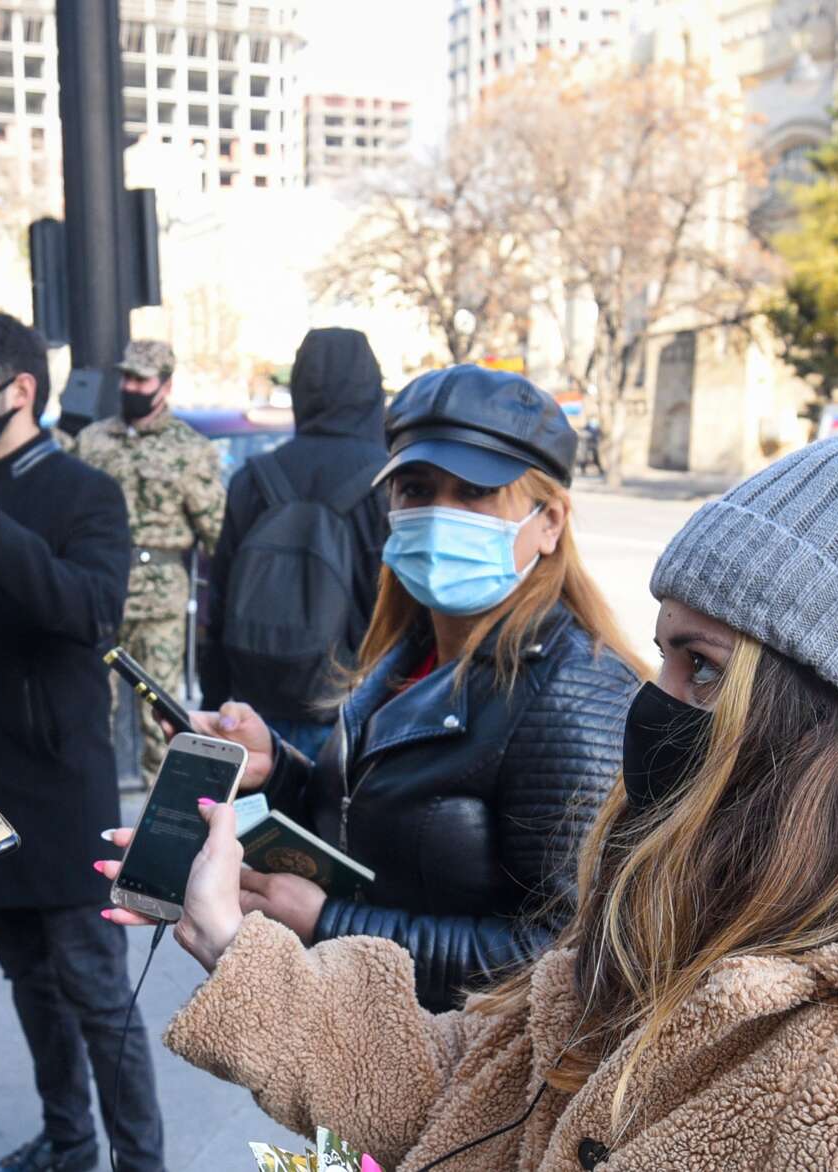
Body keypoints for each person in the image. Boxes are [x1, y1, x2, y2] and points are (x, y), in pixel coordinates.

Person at [125, 426, 838, 1170]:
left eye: (700, 666)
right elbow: (484, 1085)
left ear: (836, 724)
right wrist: (240, 945)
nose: (652, 694)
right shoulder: (695, 888)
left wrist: (329, 916)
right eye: (665, 648)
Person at [171, 366, 644, 1011]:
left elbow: (568, 955)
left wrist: (330, 923)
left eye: (474, 492)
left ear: (550, 521)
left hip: (463, 1077)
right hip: (363, 1041)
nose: (438, 514)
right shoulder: (408, 647)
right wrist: (277, 771)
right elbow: (379, 818)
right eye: (416, 488)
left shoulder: (574, 692)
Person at [0, 313, 161, 1172]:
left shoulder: (85, 492)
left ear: (21, 390)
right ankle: (68, 1141)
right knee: (28, 985)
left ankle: (140, 1160)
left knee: (96, 992)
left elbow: (91, 611)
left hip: (59, 795)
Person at [201, 327, 392, 762]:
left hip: (252, 718)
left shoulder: (255, 478)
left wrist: (215, 706)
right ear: (370, 388)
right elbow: (391, 609)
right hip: (350, 713)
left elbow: (220, 598)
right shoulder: (388, 482)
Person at [73, 339, 226, 779]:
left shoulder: (191, 449)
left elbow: (215, 530)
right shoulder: (92, 441)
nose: (130, 387)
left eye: (141, 379)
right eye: (126, 377)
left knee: (163, 724)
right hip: (101, 594)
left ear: (165, 385)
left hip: (161, 600)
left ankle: (164, 831)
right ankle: (96, 821)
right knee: (90, 716)